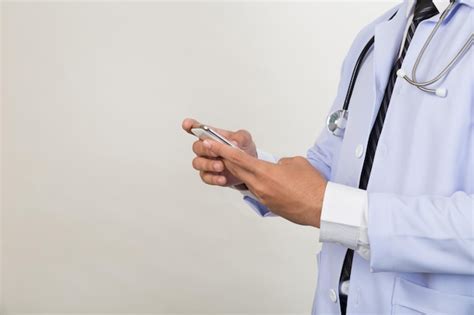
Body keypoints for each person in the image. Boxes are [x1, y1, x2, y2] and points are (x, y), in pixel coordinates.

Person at [182, 0, 474, 314]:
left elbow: (328, 203)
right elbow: (336, 165)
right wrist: (253, 169)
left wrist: (329, 208)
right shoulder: (379, 33)